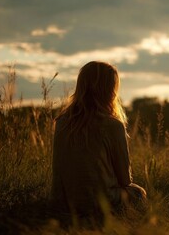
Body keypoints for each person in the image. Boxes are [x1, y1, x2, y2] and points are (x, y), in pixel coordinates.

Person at [50, 61, 147, 226]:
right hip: (99, 204)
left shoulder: (61, 122)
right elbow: (124, 179)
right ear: (109, 90)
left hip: (63, 204)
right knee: (139, 193)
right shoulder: (112, 125)